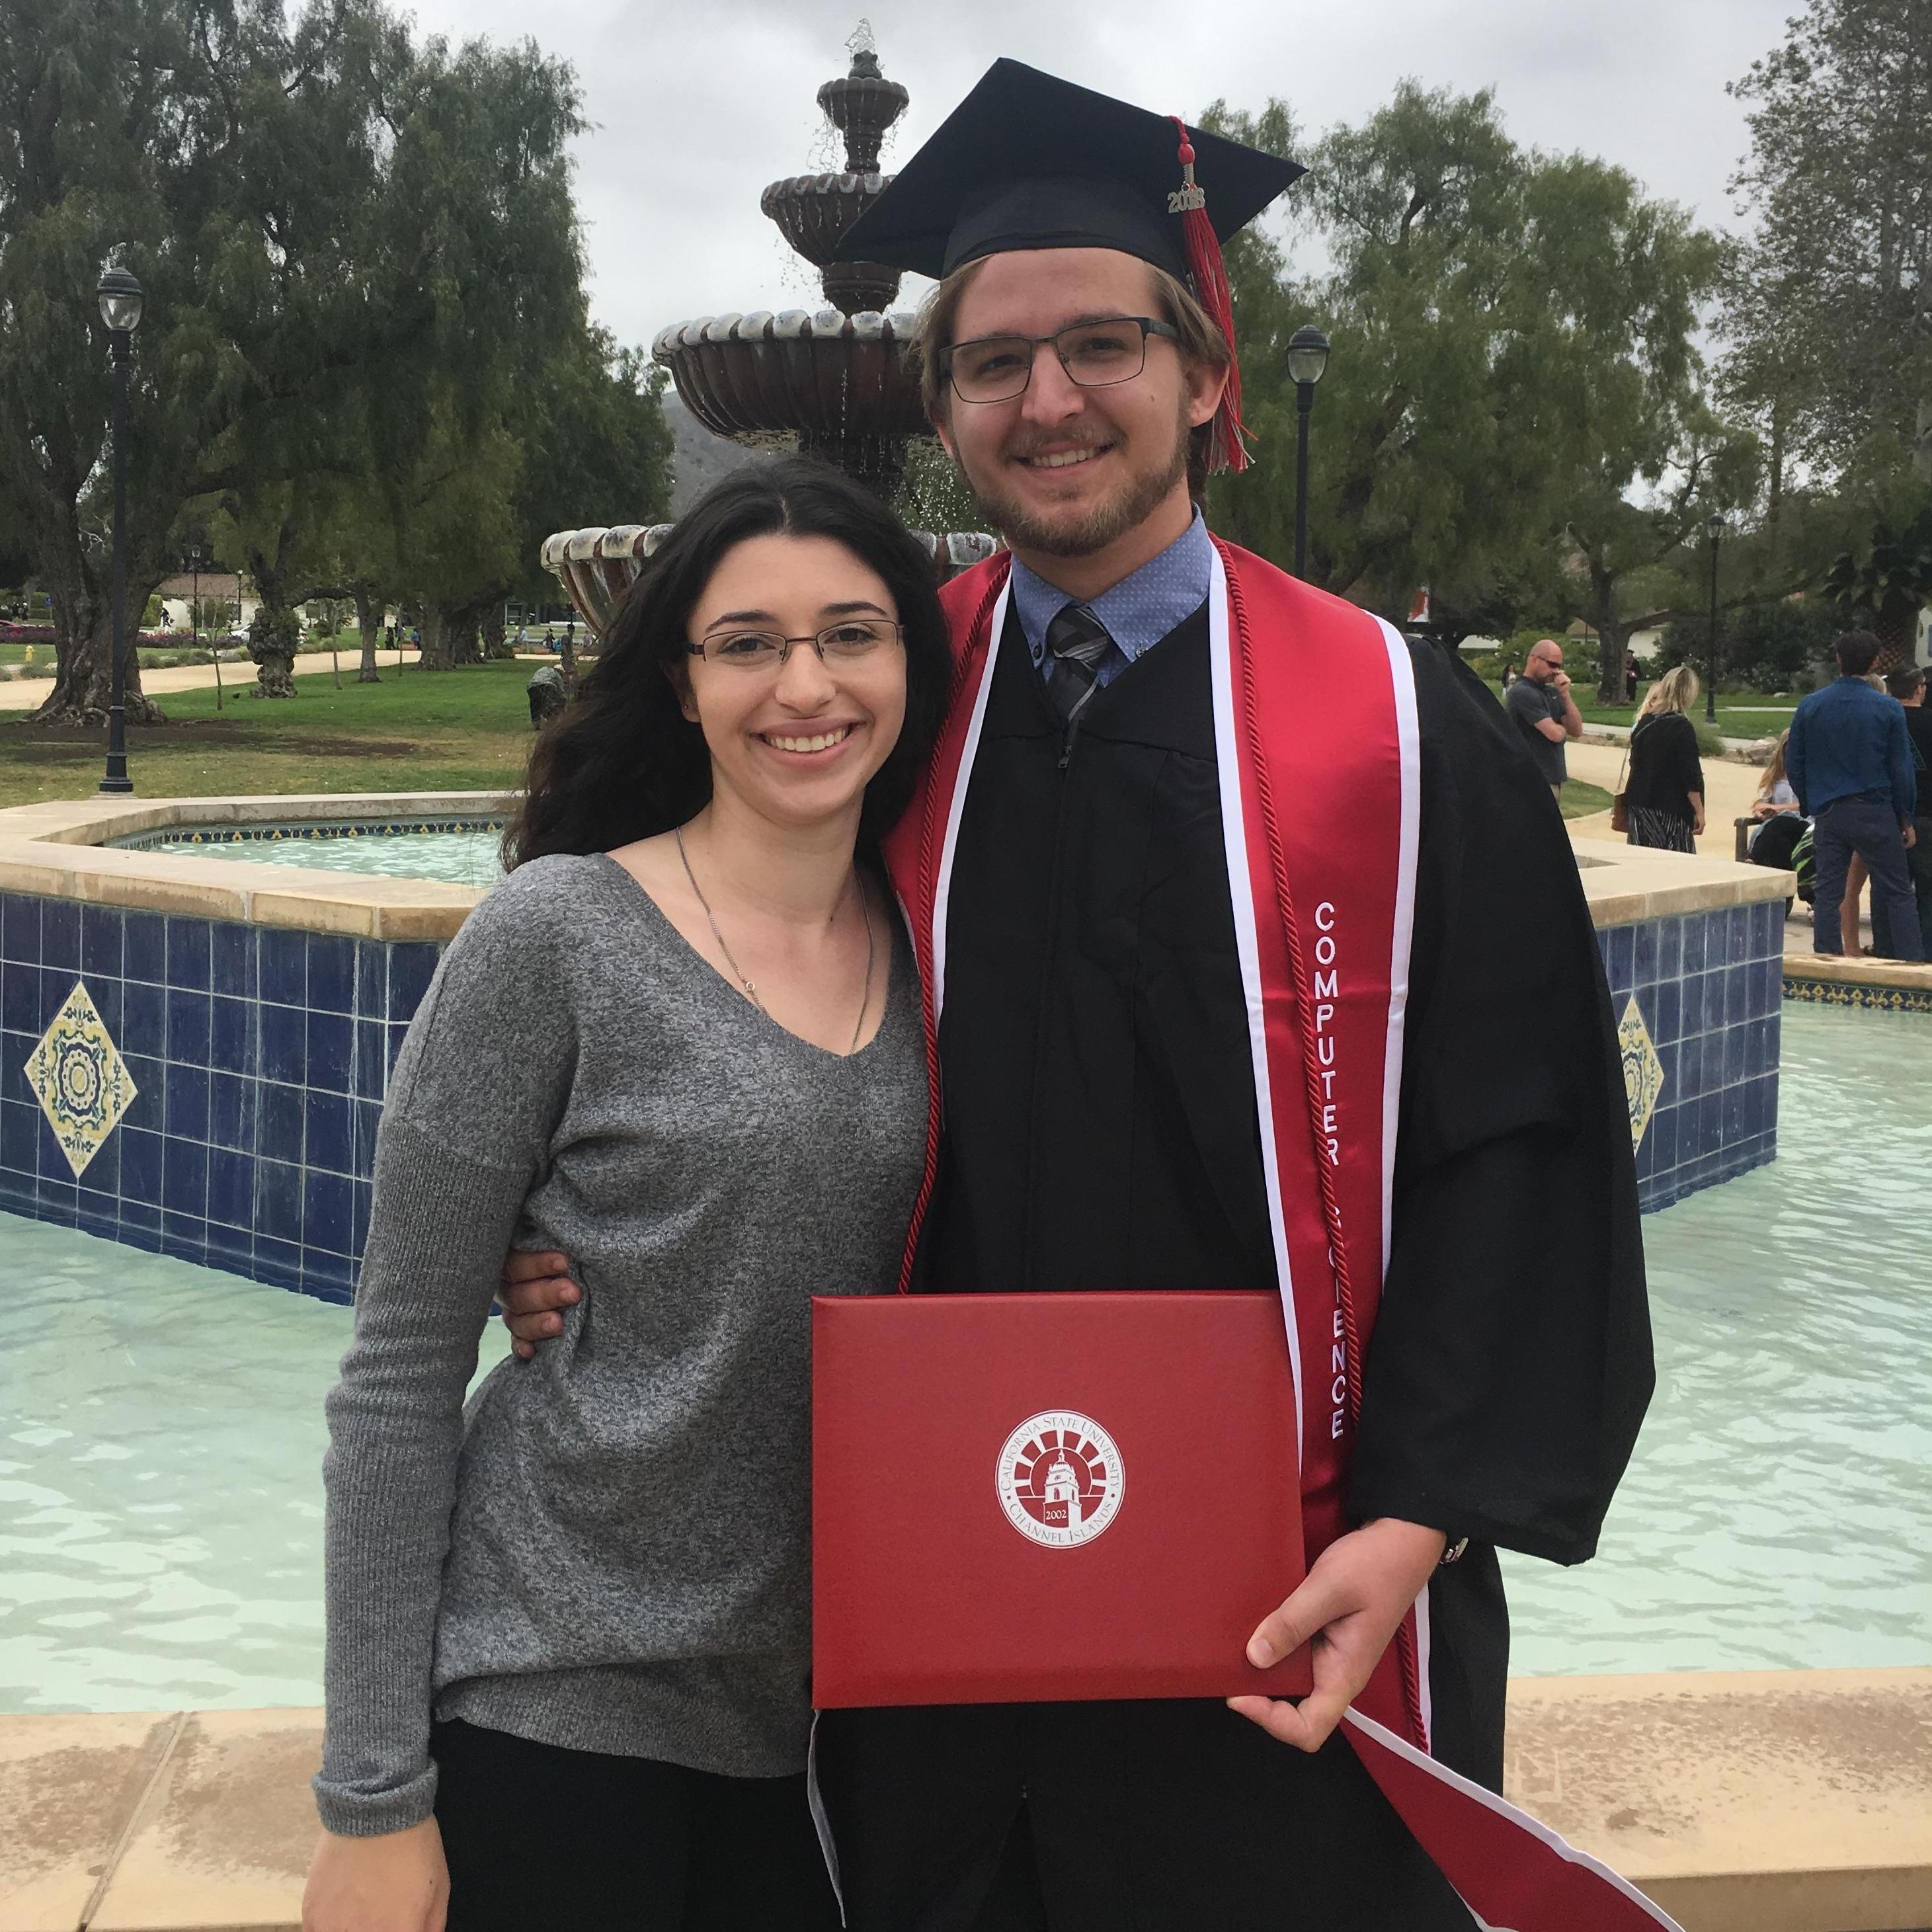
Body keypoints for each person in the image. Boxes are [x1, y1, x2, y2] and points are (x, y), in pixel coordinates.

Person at [502, 61, 1652, 1932]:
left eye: (1100, 344)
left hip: (1285, 1607)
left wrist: (1419, 1512)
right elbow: (640, 957)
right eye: (991, 361)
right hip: (922, 1599)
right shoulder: (877, 708)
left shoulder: (1387, 731)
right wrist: (545, 1214)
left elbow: (1523, 1148)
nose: (1047, 400)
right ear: (942, 402)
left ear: (1205, 374)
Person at [301, 459, 950, 1932]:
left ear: (910, 657)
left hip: (806, 1724)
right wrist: (372, 1797)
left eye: (851, 633)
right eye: (749, 643)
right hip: (553, 1689)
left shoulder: (942, 950)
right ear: (682, 681)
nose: (806, 684)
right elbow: (398, 1370)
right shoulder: (561, 938)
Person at [1786, 631, 1922, 960]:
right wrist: (1905, 815)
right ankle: (1910, 964)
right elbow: (1901, 768)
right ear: (1875, 662)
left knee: (1828, 892)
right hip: (1875, 809)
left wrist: (1809, 801)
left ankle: (1827, 961)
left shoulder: (1811, 705)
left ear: (1838, 659)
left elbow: (1795, 761)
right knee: (1897, 891)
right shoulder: (1888, 708)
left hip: (1830, 810)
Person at [1874, 665, 1932, 958]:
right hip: (1927, 817)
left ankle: (1886, 951)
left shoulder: (1881, 722)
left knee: (1885, 890)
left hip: (1885, 815)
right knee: (1928, 892)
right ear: (1920, 688)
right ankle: (1925, 956)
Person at [1623, 666, 1705, 852]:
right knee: (1675, 864)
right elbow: (1690, 775)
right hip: (1671, 807)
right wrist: (1699, 811)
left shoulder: (1645, 722)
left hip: (1640, 804)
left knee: (1643, 861)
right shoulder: (1682, 728)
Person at [1503, 637, 1583, 805]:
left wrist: (1565, 695)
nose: (1556, 671)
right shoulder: (1523, 692)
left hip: (1553, 778)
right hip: (1532, 780)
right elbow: (1554, 734)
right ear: (1534, 660)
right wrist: (1561, 728)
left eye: (1559, 666)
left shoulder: (1552, 693)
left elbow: (1576, 730)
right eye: (1552, 665)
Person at [1748, 729, 1806, 871]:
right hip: (1779, 831)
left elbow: (1809, 805)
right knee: (1781, 844)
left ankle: (1754, 859)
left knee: (1782, 820)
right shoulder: (1775, 775)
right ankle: (1785, 892)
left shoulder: (1810, 775)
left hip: (1804, 825)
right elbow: (1760, 803)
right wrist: (1763, 811)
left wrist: (1779, 809)